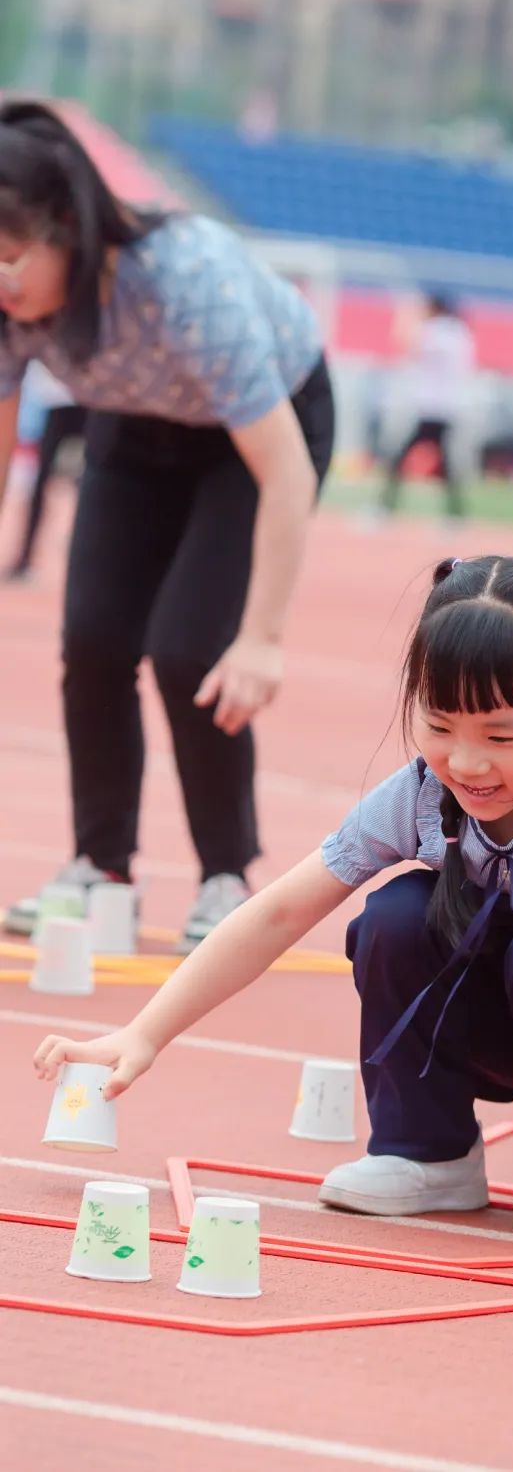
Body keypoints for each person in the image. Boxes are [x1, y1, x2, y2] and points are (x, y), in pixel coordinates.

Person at [33, 554, 513, 1247]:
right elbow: (279, 912)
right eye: (439, 726)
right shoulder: (421, 795)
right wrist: (144, 1033)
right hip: (503, 1002)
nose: (467, 762)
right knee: (397, 918)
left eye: (503, 737)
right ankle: (426, 1151)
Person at [0, 99, 335, 948]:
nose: (0, 284)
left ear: (67, 230)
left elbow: (285, 469)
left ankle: (227, 875)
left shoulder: (184, 276)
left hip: (256, 437)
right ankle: (99, 861)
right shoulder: (9, 310)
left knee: (192, 648)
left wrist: (261, 636)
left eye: (9, 259)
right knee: (96, 640)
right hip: (134, 427)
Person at [381, 292, 474, 519]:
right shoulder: (460, 334)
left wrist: (405, 318)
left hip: (431, 407)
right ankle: (455, 515)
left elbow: (406, 345)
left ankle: (385, 507)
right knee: (446, 465)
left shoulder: (435, 332)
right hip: (447, 407)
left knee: (401, 459)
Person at [3, 362, 86, 581]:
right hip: (56, 401)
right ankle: (24, 557)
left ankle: (79, 552)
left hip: (92, 401)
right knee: (41, 482)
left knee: (84, 482)